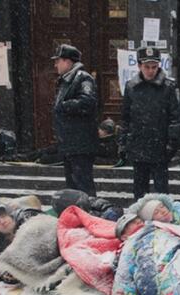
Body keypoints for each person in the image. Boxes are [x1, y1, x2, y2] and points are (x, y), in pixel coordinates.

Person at [120, 46, 180, 199]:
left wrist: (172, 143)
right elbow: (126, 117)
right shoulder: (131, 87)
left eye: (154, 67)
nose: (150, 71)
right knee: (139, 190)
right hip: (138, 144)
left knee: (162, 191)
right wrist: (123, 142)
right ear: (139, 66)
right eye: (147, 67)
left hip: (159, 145)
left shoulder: (168, 87)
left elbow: (175, 117)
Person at [52, 44, 98, 196]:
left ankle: (87, 208)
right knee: (72, 185)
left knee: (83, 184)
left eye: (58, 61)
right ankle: (76, 208)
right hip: (69, 143)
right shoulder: (66, 80)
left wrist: (64, 105)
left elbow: (87, 102)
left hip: (80, 143)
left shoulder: (83, 78)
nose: (56, 65)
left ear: (68, 61)